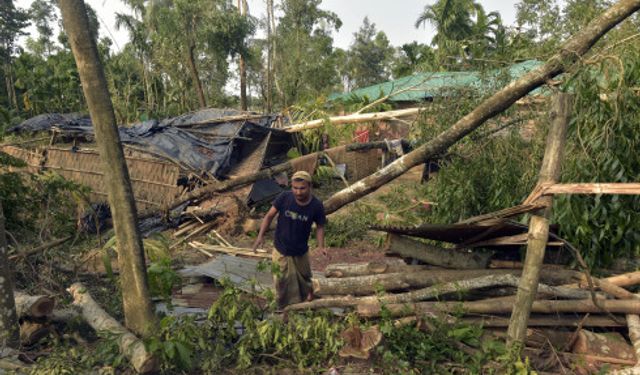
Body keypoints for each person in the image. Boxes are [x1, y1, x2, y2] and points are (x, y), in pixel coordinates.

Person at [252, 170, 326, 308]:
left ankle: (307, 301)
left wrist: (321, 246)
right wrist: (260, 236)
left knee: (305, 279)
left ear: (309, 187)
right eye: (295, 188)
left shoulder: (316, 205)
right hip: (281, 248)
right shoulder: (284, 198)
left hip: (300, 250)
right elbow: (269, 216)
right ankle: (283, 309)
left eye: (302, 188)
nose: (298, 192)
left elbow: (320, 226)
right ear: (291, 187)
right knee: (281, 282)